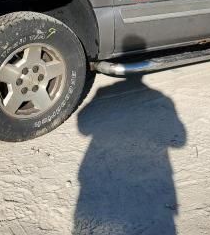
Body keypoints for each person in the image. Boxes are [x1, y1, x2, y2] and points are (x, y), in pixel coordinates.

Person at [74, 75, 187, 235]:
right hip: (147, 190)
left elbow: (83, 127)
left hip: (99, 181)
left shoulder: (104, 91)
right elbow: (180, 140)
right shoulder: (161, 98)